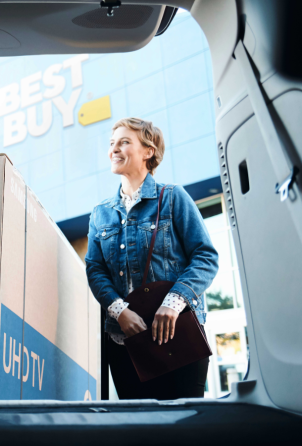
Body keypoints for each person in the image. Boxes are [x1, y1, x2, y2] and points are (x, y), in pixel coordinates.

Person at [85, 117, 219, 400]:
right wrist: (119, 311)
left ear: (148, 151)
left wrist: (174, 302)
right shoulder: (101, 213)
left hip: (178, 337)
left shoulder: (172, 197)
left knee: (184, 428)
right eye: (112, 144)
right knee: (139, 431)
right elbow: (95, 270)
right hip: (127, 346)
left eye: (124, 142)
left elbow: (205, 257)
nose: (114, 150)